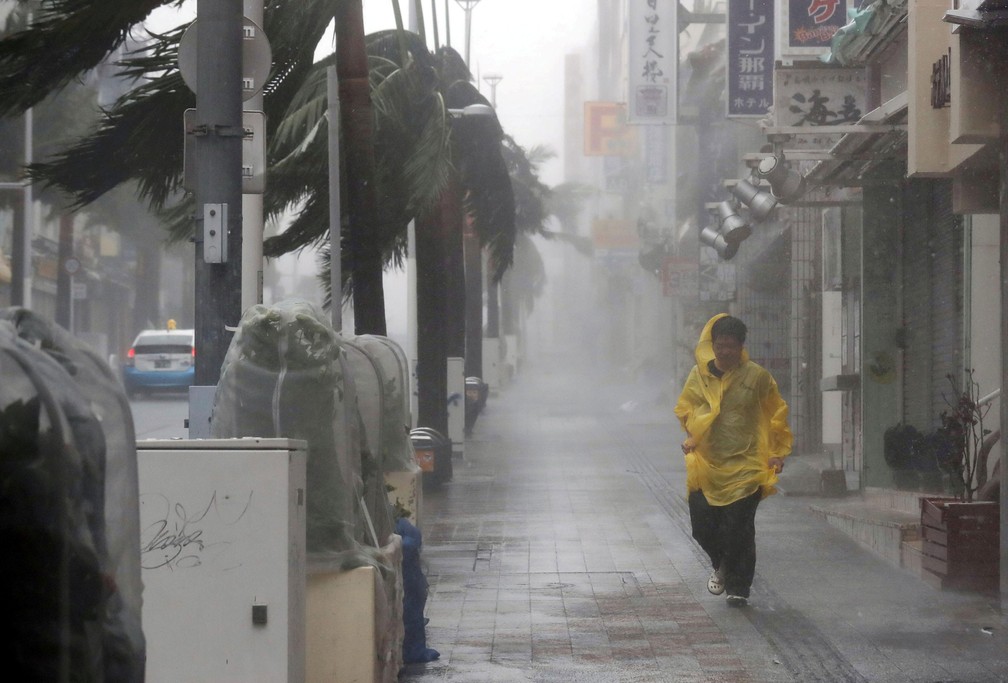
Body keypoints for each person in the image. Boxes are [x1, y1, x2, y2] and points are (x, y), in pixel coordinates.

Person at [674, 314, 792, 607]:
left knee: (738, 526)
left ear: (741, 347)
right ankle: (722, 565)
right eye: (719, 345)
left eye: (730, 345)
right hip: (708, 464)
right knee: (702, 524)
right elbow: (685, 407)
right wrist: (694, 431)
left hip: (748, 463)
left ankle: (739, 586)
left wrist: (777, 451)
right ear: (711, 346)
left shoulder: (757, 377)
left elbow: (776, 413)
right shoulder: (698, 375)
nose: (724, 351)